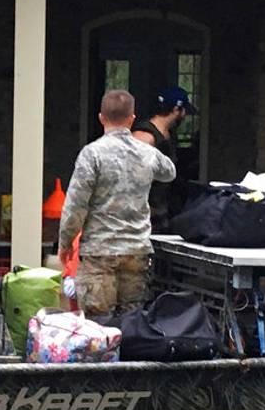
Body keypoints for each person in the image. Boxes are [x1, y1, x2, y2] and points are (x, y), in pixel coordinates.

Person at [58, 89, 176, 318]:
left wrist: (65, 242)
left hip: (100, 252)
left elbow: (75, 205)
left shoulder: (91, 155)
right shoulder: (146, 153)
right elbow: (169, 172)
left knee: (98, 322)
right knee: (131, 320)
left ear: (101, 118)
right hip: (137, 252)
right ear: (132, 119)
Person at [133, 87, 196, 229]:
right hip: (146, 216)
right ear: (176, 109)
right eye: (184, 110)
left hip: (163, 211)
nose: (185, 115)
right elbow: (131, 172)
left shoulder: (167, 135)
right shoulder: (145, 136)